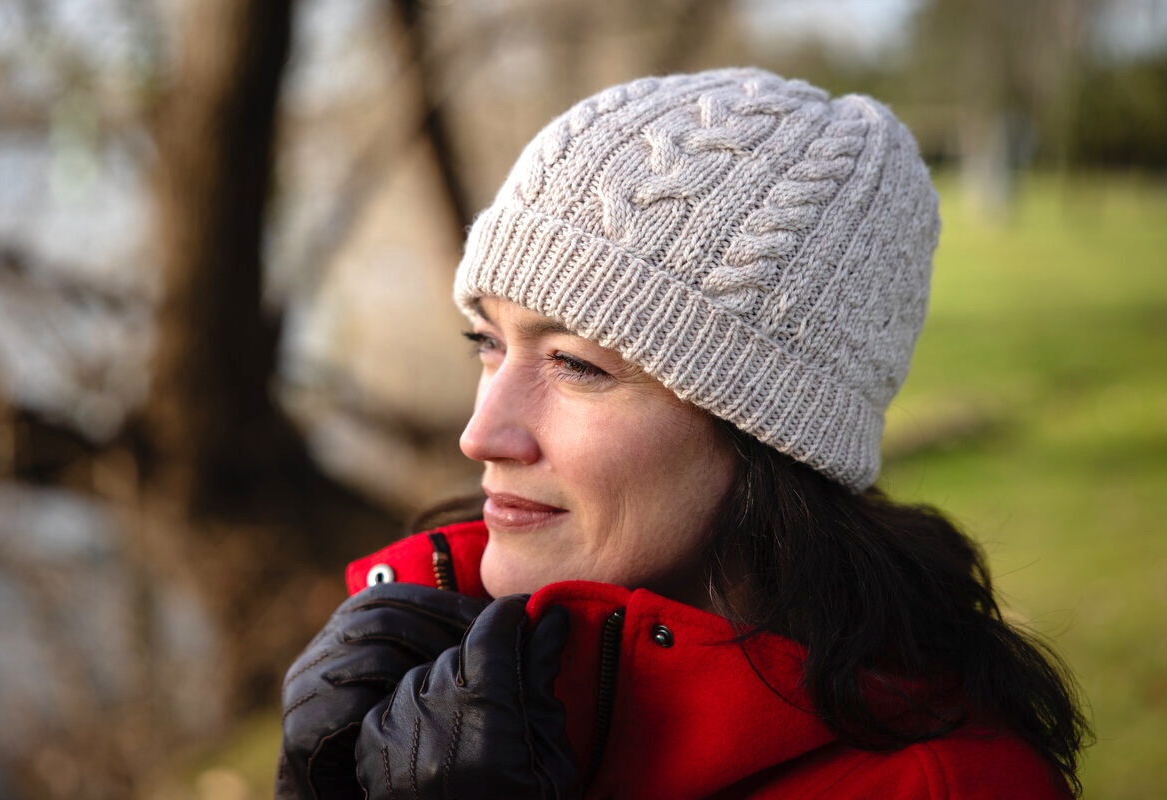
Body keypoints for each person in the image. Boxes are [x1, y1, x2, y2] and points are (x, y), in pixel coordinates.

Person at [276, 68, 1090, 799]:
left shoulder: (948, 785)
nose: (480, 433)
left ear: (772, 433)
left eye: (576, 365)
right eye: (488, 343)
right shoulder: (411, 668)